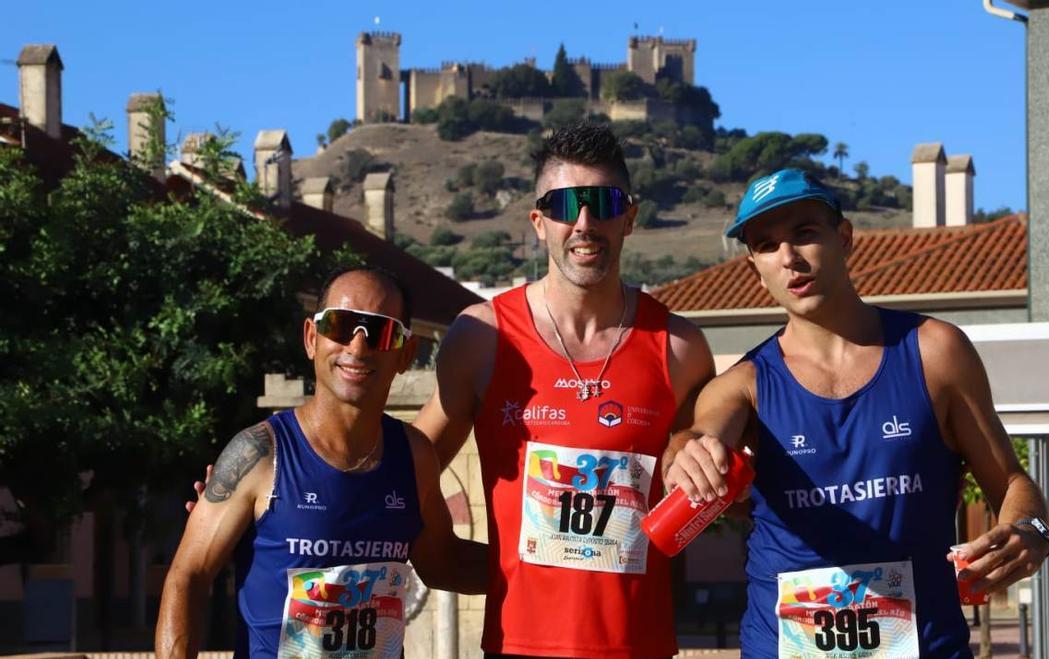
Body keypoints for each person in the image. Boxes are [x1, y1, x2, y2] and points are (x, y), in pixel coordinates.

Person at [663, 169, 1049, 658]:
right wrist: (689, 452)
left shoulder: (935, 352)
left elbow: (1012, 481)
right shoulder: (743, 385)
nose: (789, 258)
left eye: (805, 234)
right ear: (754, 268)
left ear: (844, 238)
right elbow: (702, 434)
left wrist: (1031, 532)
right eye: (767, 245)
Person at [410, 121, 715, 657]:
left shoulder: (680, 348)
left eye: (602, 202)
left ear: (630, 217)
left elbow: (715, 483)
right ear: (538, 221)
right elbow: (410, 467)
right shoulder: (481, 338)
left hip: (639, 647)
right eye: (563, 205)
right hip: (518, 647)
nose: (584, 222)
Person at [157, 266, 487, 658]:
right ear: (312, 339)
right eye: (341, 326)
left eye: (379, 331)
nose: (357, 347)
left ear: (405, 353)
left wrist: (550, 567)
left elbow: (443, 563)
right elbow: (187, 577)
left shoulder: (414, 455)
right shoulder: (260, 452)